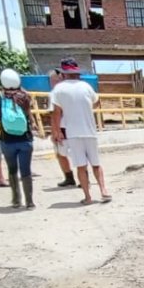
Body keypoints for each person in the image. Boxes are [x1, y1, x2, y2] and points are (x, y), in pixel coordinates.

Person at [51, 58, 109, 204]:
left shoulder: (58, 89)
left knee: (81, 166)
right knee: (96, 164)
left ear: (63, 74)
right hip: (90, 131)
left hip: (73, 133)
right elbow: (96, 102)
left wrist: (57, 132)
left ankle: (88, 197)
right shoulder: (86, 86)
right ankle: (104, 191)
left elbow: (56, 113)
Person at [0, 69, 36, 209]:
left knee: (12, 170)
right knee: (26, 170)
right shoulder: (25, 96)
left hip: (7, 140)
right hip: (25, 139)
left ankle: (16, 200)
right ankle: (30, 202)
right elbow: (29, 115)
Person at [48, 68, 76, 187]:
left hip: (63, 128)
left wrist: (55, 131)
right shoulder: (73, 91)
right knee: (78, 153)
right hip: (75, 127)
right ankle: (79, 178)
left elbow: (54, 114)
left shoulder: (55, 93)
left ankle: (69, 177)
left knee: (61, 154)